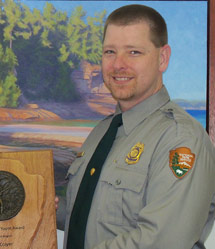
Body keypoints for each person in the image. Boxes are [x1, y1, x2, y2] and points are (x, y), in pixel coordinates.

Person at [56, 4, 215, 249]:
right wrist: (43, 207)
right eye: (110, 51)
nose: (118, 64)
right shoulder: (103, 132)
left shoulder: (180, 139)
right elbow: (91, 216)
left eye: (133, 52)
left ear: (162, 58)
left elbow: (164, 241)